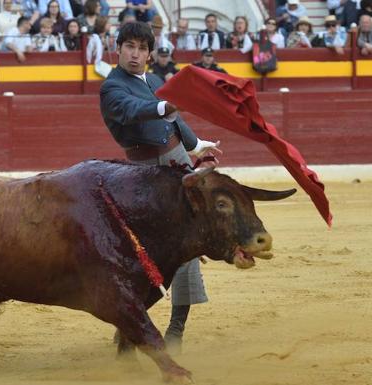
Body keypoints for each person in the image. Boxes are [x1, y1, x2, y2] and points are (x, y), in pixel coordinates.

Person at [100, 21, 222, 353]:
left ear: (150, 53)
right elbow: (133, 112)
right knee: (144, 255)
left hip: (177, 163)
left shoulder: (153, 80)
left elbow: (174, 120)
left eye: (142, 48)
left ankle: (176, 330)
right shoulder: (112, 87)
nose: (135, 54)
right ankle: (130, 327)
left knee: (187, 246)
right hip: (142, 175)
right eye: (129, 47)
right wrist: (165, 106)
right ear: (118, 48)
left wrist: (196, 145)